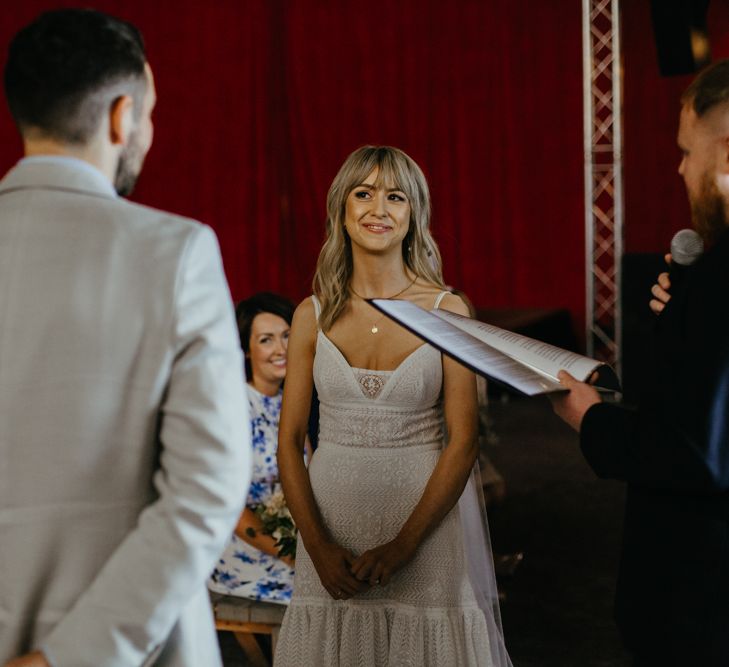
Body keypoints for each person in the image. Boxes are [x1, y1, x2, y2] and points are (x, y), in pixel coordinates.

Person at [0, 9, 250, 667]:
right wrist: (68, 657)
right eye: (150, 112)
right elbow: (206, 489)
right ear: (121, 116)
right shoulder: (175, 254)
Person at [275, 145, 511, 666]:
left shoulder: (449, 311)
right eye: (364, 193)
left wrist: (404, 546)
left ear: (413, 215)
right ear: (342, 208)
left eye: (395, 196)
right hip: (329, 529)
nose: (378, 208)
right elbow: (290, 443)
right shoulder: (310, 316)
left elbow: (464, 439)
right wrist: (317, 547)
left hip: (425, 533)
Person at [552, 59, 729, 666]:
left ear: (727, 152)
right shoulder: (706, 278)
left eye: (687, 151)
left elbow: (697, 453)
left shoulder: (720, 277)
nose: (680, 168)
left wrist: (592, 418)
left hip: (704, 604)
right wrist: (680, 319)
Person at [210, 292, 304, 604]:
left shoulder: (293, 404)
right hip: (245, 554)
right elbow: (230, 509)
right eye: (266, 340)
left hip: (293, 546)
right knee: (324, 596)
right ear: (247, 351)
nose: (281, 349)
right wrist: (292, 557)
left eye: (287, 336)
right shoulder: (232, 409)